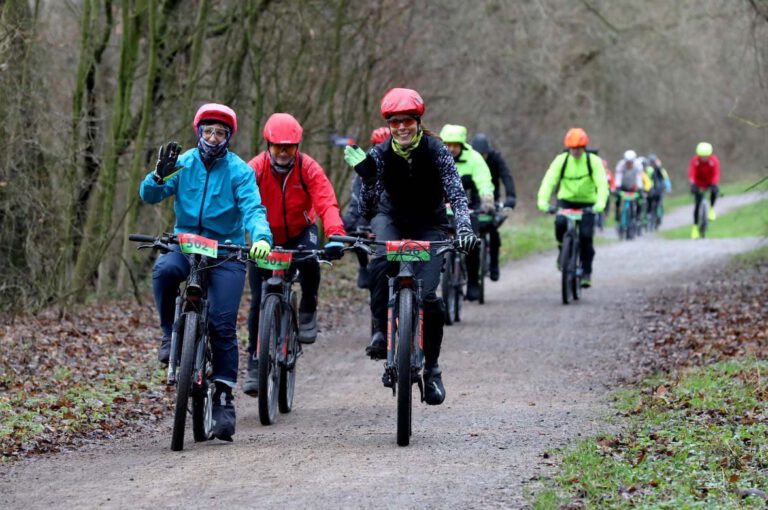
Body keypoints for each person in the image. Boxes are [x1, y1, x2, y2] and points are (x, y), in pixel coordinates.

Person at [139, 103, 272, 442]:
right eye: (208, 131)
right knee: (165, 271)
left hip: (226, 250)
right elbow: (149, 196)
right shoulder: (182, 163)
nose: (214, 138)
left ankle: (224, 395)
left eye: (221, 132)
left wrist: (260, 239)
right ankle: (170, 335)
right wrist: (157, 176)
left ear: (229, 136)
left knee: (223, 323)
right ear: (199, 132)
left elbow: (254, 209)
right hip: (185, 242)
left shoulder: (239, 171)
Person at [343, 88, 477, 405]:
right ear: (389, 126)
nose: (401, 127)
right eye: (395, 122)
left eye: (407, 121)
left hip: (430, 224)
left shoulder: (436, 149)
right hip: (391, 218)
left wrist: (465, 228)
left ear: (418, 121)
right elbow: (366, 207)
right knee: (378, 261)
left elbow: (457, 195)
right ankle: (379, 330)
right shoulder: (379, 153)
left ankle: (431, 369)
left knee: (430, 298)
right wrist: (366, 176)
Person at [244, 113, 346, 396]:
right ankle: (254, 359)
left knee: (309, 259)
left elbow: (326, 201)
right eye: (278, 146)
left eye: (289, 146)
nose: (284, 152)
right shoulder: (255, 168)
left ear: (297, 146)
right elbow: (237, 202)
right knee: (257, 300)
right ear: (268, 145)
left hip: (301, 230)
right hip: (264, 237)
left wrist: (336, 234)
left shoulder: (308, 168)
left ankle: (309, 306)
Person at [536, 128, 608, 288]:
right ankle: (563, 248)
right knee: (560, 224)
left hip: (587, 203)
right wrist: (543, 202)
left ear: (584, 148)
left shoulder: (593, 161)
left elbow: (602, 184)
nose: (576, 151)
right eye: (573, 148)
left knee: (586, 237)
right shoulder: (561, 160)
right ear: (568, 148)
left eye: (579, 148)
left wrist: (600, 204)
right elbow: (549, 181)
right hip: (566, 201)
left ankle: (586, 272)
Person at [440, 124, 494, 301]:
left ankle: (472, 281)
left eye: (456, 145)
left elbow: (484, 180)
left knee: (472, 242)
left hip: (470, 206)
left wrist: (487, 199)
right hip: (441, 206)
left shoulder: (474, 158)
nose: (452, 149)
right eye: (448, 144)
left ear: (462, 145)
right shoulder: (436, 157)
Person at [342, 126, 390, 289]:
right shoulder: (364, 165)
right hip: (369, 209)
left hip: (393, 212)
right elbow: (356, 194)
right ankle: (363, 267)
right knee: (357, 232)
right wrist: (351, 219)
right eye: (377, 146)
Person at [470, 133, 517, 281]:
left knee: (493, 229)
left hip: (491, 198)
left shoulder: (496, 158)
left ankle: (494, 265)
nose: (481, 158)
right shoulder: (468, 159)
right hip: (471, 199)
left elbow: (506, 176)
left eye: (483, 155)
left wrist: (511, 197)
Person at [689, 142, 720, 239]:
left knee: (715, 191)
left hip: (710, 183)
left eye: (706, 156)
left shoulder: (714, 161)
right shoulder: (695, 161)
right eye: (702, 156)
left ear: (709, 155)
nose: (704, 158)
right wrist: (693, 183)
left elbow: (716, 174)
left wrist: (714, 183)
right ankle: (695, 227)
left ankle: (711, 208)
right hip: (698, 184)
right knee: (697, 205)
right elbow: (692, 173)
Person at [613, 149, 645, 224]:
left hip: (633, 187)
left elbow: (638, 178)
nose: (629, 164)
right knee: (618, 199)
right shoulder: (620, 165)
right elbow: (618, 177)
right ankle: (617, 214)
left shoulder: (638, 166)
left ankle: (637, 217)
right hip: (623, 186)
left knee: (639, 200)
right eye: (627, 162)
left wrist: (640, 189)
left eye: (631, 162)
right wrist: (617, 187)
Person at [644, 153, 671, 227]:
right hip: (651, 190)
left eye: (653, 162)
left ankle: (659, 217)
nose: (652, 164)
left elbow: (666, 179)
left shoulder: (661, 170)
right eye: (651, 162)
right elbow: (646, 179)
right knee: (648, 202)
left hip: (659, 189)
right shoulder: (648, 170)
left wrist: (668, 187)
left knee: (659, 203)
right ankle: (648, 216)